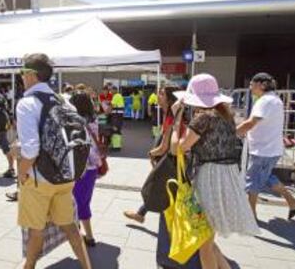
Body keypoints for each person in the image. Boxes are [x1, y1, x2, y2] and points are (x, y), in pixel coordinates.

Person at [171, 73, 260, 269]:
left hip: (209, 178)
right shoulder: (227, 117)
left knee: (205, 245)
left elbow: (177, 148)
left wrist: (176, 118)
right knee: (208, 240)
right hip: (226, 178)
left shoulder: (203, 118)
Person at [17, 53, 92, 269]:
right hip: (66, 174)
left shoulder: (27, 103)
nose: (21, 77)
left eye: (23, 72)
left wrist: (22, 173)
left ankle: (29, 266)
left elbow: (30, 150)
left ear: (31, 74)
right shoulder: (65, 101)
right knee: (69, 225)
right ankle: (87, 266)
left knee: (36, 229)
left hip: (40, 179)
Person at [237, 72, 295, 220]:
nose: (249, 87)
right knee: (267, 178)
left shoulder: (265, 101)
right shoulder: (274, 100)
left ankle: (250, 215)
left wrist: (232, 133)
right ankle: (293, 203)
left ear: (262, 84)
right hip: (269, 149)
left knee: (252, 181)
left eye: (252, 84)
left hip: (263, 150)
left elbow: (251, 123)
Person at [124, 86, 181, 224]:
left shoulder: (170, 117)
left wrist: (151, 153)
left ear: (169, 98)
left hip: (168, 162)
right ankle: (142, 213)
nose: (157, 96)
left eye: (161, 94)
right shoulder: (168, 114)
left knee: (154, 188)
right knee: (159, 189)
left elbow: (164, 147)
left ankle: (143, 214)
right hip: (168, 161)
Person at [70, 90, 102, 248]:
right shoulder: (93, 119)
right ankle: (85, 234)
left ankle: (87, 236)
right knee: (83, 201)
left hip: (82, 168)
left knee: (79, 202)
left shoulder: (78, 122)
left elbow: (78, 148)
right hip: (92, 167)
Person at [110, 86, 125, 150]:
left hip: (116, 115)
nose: (111, 92)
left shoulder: (116, 96)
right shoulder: (119, 95)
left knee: (115, 129)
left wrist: (107, 111)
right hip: (119, 115)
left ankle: (116, 146)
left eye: (111, 90)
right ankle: (117, 145)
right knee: (117, 130)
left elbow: (112, 105)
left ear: (115, 90)